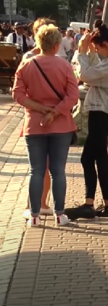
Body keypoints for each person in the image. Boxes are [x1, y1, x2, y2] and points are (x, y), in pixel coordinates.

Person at [12, 24, 79, 227]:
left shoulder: (27, 65)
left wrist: (40, 109)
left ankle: (34, 215)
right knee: (58, 171)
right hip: (60, 124)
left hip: (34, 123)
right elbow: (73, 96)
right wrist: (55, 112)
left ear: (38, 42)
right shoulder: (65, 65)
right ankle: (59, 214)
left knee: (36, 171)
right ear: (57, 44)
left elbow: (18, 94)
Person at [65, 20, 108, 221]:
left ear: (105, 45)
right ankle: (107, 204)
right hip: (104, 113)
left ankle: (88, 204)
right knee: (100, 159)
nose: (97, 52)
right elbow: (97, 69)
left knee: (87, 158)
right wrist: (89, 53)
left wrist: (82, 52)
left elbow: (86, 75)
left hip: (102, 113)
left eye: (97, 48)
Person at [20, 18, 57, 220]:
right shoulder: (29, 57)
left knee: (47, 165)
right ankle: (34, 204)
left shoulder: (54, 57)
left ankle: (41, 203)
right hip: (37, 116)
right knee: (39, 166)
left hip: (47, 116)